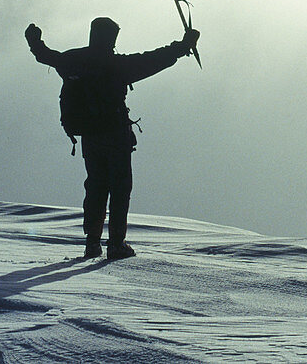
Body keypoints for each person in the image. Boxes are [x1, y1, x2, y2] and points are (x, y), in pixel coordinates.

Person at [25, 17, 200, 260]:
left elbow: (46, 55)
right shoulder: (117, 65)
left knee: (96, 186)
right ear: (111, 37)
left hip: (89, 137)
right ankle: (116, 244)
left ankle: (92, 243)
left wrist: (34, 41)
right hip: (115, 135)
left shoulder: (73, 60)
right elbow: (153, 59)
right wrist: (183, 46)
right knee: (119, 188)